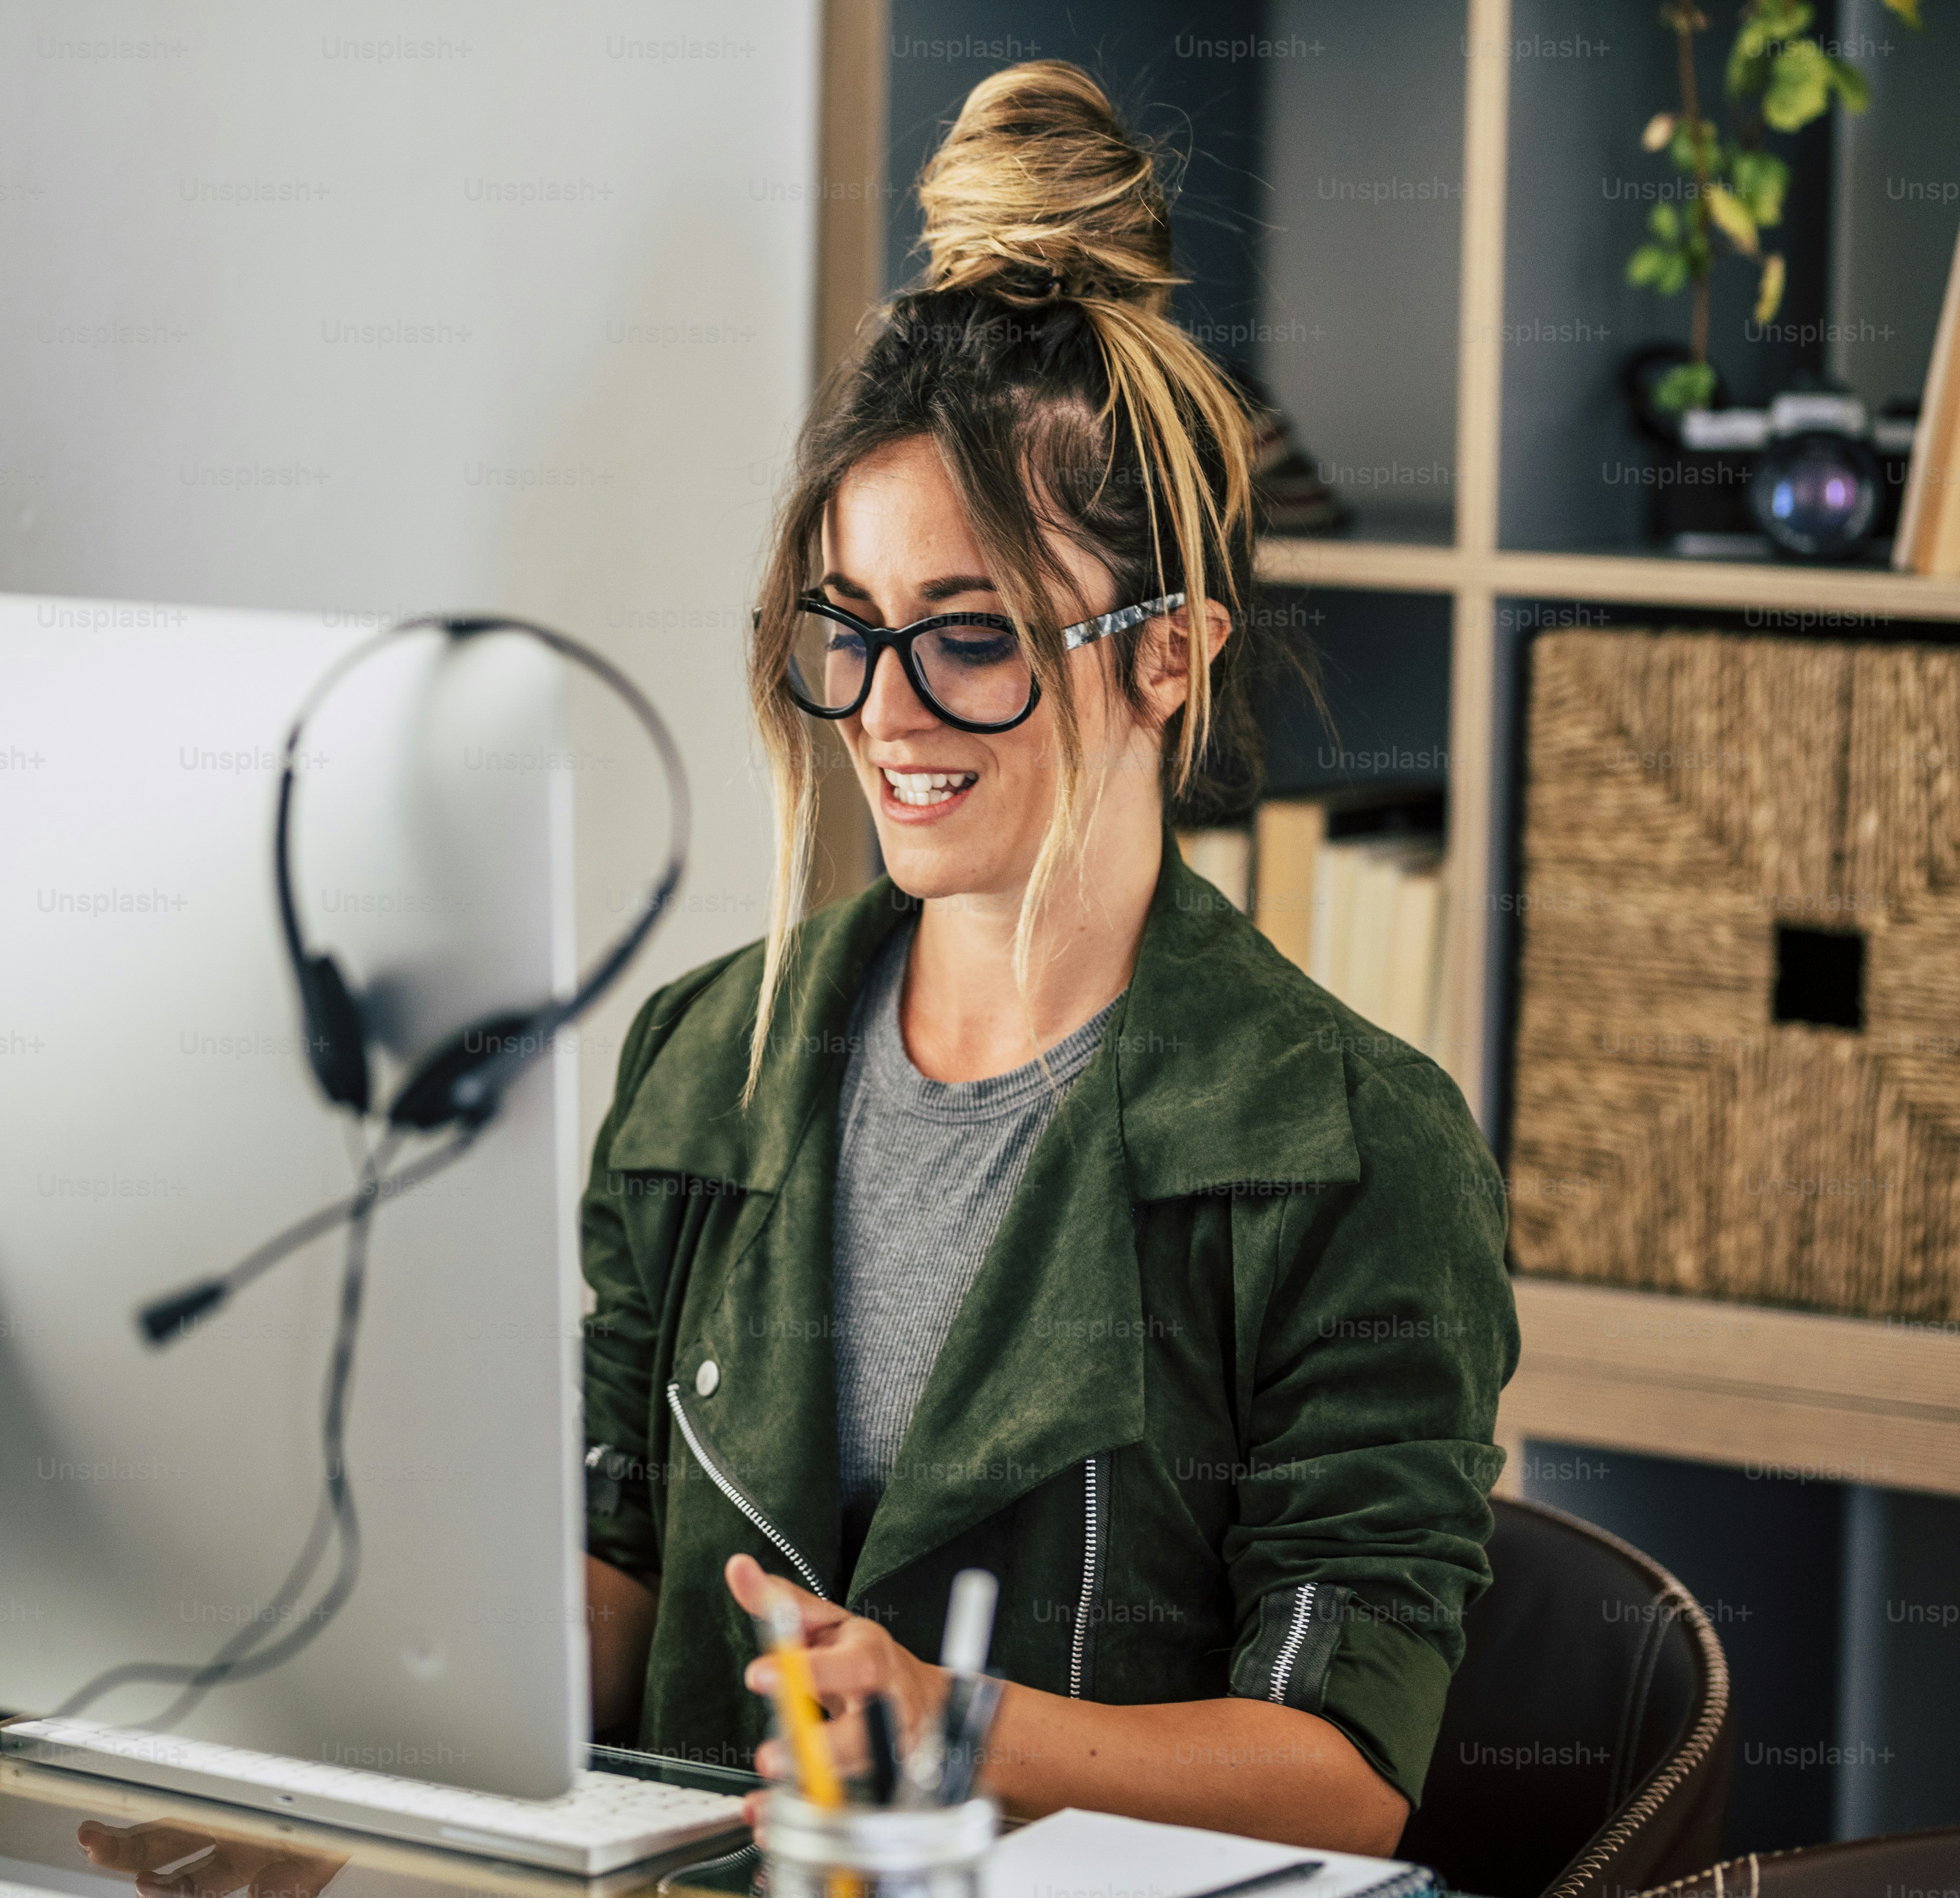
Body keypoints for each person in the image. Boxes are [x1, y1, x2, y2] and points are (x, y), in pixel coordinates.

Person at [576, 61, 1515, 1855]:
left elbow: (1344, 1776)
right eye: (850, 628)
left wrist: (966, 1730)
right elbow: (614, 1581)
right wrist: (347, 1730)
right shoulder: (704, 1061)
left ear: (1171, 654)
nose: (885, 713)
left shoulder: (1357, 1154)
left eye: (973, 637)